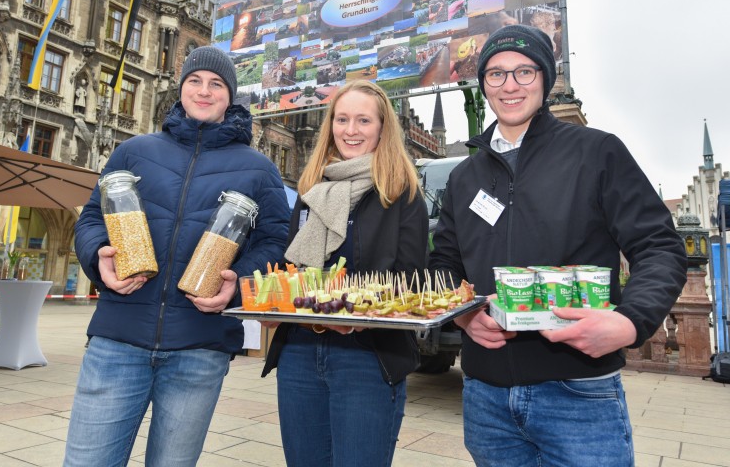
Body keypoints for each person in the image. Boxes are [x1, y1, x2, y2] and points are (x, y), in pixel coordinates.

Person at [429, 24, 687, 467]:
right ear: (484, 86)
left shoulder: (597, 152)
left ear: (545, 79)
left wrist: (630, 322)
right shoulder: (463, 177)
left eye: (524, 72)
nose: (510, 85)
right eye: (496, 74)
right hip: (485, 394)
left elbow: (659, 246)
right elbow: (443, 266)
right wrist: (465, 314)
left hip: (578, 391)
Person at [65, 45, 290, 467]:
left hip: (199, 348)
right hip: (118, 339)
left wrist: (238, 284)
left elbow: (277, 243)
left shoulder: (259, 170)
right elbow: (92, 218)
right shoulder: (134, 151)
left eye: (216, 84)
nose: (204, 91)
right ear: (181, 88)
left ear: (231, 95)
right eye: (195, 81)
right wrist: (99, 257)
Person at [261, 80, 428, 467]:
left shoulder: (401, 193)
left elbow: (409, 283)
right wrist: (276, 299)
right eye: (342, 119)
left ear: (383, 128)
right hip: (300, 354)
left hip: (367, 358)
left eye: (363, 120)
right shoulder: (311, 190)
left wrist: (353, 315)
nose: (350, 130)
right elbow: (291, 270)